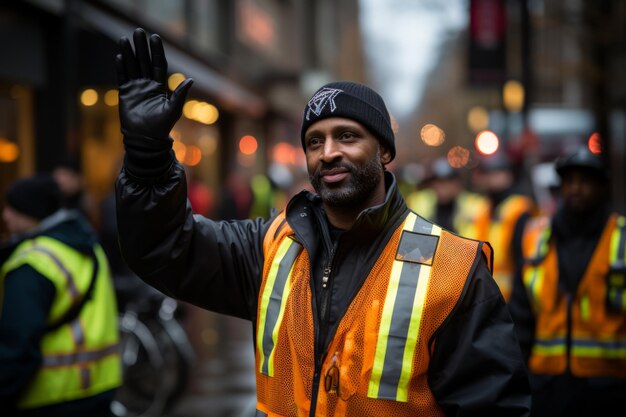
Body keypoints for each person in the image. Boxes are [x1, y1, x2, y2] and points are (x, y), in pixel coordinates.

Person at [113, 28, 530, 416]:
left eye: (347, 136)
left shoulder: (454, 271)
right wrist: (147, 159)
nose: (328, 152)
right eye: (315, 141)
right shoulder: (271, 246)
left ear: (384, 151)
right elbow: (165, 247)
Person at [508, 146, 626, 416]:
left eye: (585, 181)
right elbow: (520, 316)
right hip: (546, 388)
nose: (576, 188)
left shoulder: (621, 238)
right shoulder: (537, 238)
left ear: (602, 187)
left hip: (610, 389)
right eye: (570, 181)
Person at [0, 174, 122, 416]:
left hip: (50, 395)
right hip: (101, 385)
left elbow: (18, 346)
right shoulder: (89, 245)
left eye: (12, 208)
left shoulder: (32, 262)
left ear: (30, 212)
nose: (5, 216)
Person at [468, 151, 536, 301]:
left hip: (511, 298)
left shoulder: (518, 209)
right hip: (484, 297)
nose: (492, 179)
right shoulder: (483, 210)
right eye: (488, 174)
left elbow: (523, 259)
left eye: (497, 173)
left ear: (509, 175)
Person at [405, 157, 488, 234]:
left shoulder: (475, 204)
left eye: (447, 181)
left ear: (457, 184)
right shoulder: (418, 200)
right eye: (438, 182)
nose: (443, 187)